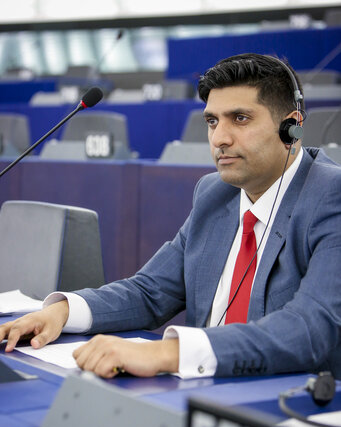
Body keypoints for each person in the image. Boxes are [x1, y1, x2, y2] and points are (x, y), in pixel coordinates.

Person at [1, 53, 341, 380]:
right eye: (212, 121)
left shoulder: (330, 197)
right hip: (202, 394)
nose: (219, 139)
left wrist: (168, 354)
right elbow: (150, 292)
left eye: (240, 118)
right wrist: (62, 311)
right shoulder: (214, 194)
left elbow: (311, 328)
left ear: (291, 128)